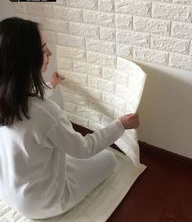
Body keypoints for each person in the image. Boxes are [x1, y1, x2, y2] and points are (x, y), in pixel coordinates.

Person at [0, 17, 139, 219]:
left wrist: (51, 85)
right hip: (44, 203)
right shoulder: (45, 112)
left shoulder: (8, 98)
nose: (49, 53)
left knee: (64, 155)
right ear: (26, 60)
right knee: (109, 158)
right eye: (43, 48)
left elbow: (28, 104)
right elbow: (83, 149)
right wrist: (120, 125)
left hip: (10, 192)